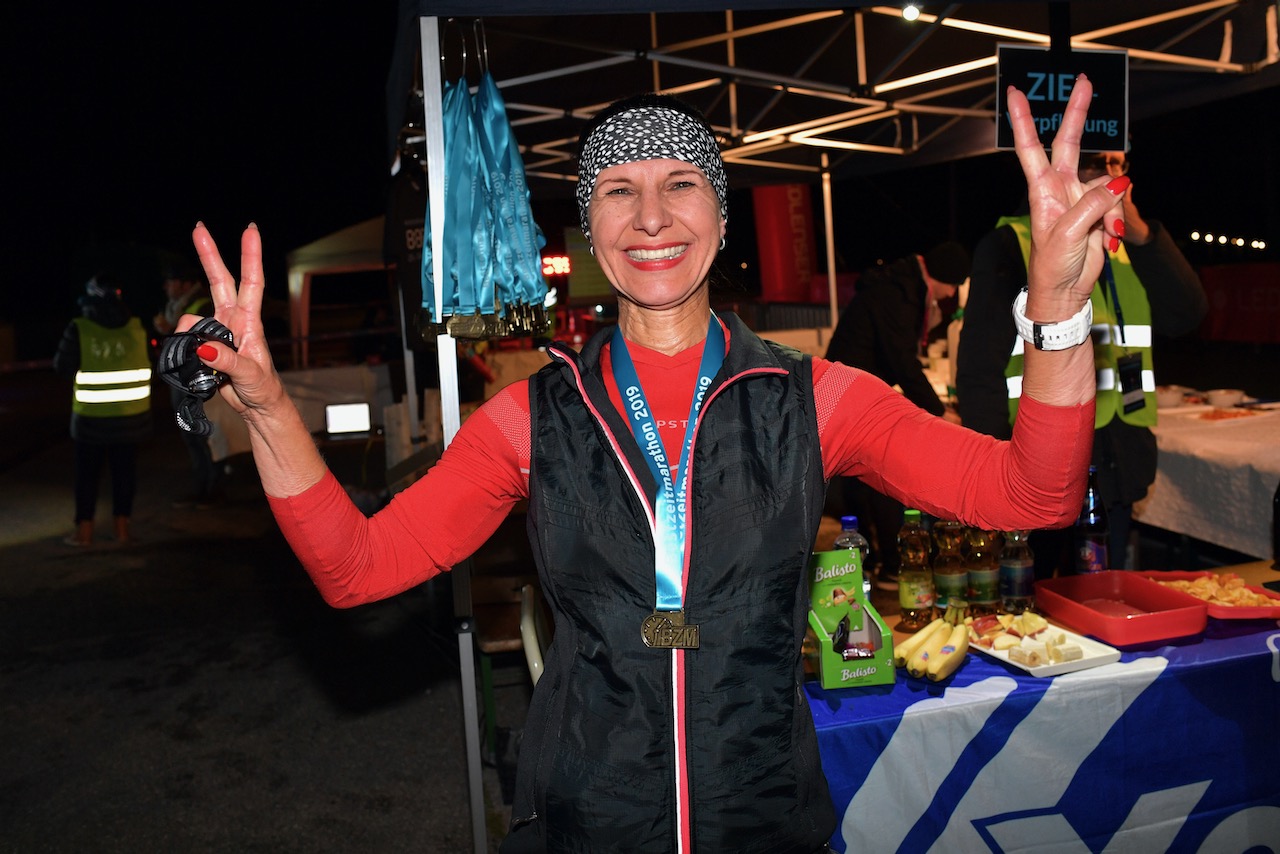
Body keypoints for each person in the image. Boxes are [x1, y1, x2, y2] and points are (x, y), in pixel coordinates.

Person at [181, 80, 1123, 852]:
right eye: (616, 191)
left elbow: (1031, 494)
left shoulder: (816, 397)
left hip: (762, 818)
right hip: (589, 819)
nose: (652, 215)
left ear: (721, 213)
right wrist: (267, 409)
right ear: (589, 230)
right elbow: (356, 570)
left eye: (682, 182)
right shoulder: (532, 418)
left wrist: (1057, 315)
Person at [956, 147, 1207, 573]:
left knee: (1101, 599)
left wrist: (1143, 234)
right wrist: (993, 477)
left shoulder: (1129, 244)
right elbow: (980, 368)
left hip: (1117, 464)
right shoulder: (1011, 243)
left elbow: (1186, 315)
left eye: (1117, 163)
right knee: (1034, 605)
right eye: (1095, 162)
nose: (1107, 174)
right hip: (1038, 464)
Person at [824, 241, 970, 590]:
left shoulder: (901, 285)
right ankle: (892, 565)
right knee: (882, 477)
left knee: (859, 481)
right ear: (943, 278)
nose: (951, 294)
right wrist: (938, 412)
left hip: (845, 389)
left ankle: (868, 561)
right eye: (952, 285)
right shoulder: (900, 296)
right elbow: (902, 362)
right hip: (850, 396)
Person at [53, 274, 153, 545]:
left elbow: (62, 366)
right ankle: (122, 531)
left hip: (91, 419)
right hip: (130, 418)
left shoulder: (80, 327)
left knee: (87, 476)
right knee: (124, 474)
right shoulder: (135, 326)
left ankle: (84, 532)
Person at [153, 260, 221, 508]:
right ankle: (204, 488)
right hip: (184, 381)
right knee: (194, 436)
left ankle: (210, 490)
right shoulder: (181, 306)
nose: (166, 287)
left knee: (200, 436)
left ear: (186, 284)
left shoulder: (201, 304)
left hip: (193, 382)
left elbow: (194, 342)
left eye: (170, 282)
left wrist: (168, 331)